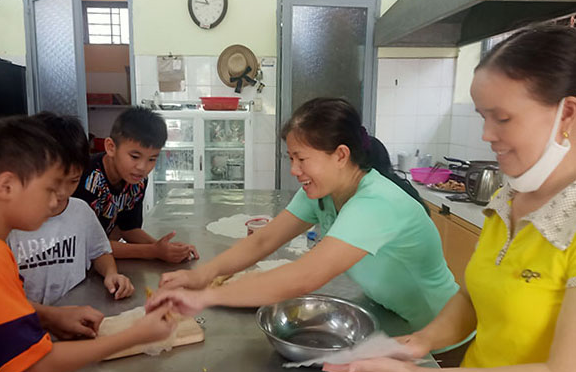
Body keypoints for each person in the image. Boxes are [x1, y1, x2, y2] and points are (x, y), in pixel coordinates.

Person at [322, 24, 576, 372]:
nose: (487, 134)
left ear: (567, 113)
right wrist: (422, 341)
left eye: (502, 118)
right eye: (482, 117)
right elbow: (473, 297)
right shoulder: (509, 197)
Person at [148, 98, 461, 336]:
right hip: (394, 322)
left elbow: (304, 277)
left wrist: (207, 297)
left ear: (340, 155)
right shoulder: (324, 192)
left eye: (301, 159)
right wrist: (202, 275)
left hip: (441, 333)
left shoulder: (377, 203)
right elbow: (266, 240)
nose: (294, 170)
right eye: (291, 158)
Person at [0, 116, 177, 372]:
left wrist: (51, 316)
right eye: (50, 189)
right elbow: (35, 367)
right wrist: (134, 335)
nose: (56, 202)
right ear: (6, 186)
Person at [6, 113, 134, 340]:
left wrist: (111, 273)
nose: (63, 193)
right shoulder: (12, 224)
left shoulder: (80, 211)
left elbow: (100, 250)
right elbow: (0, 299)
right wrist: (51, 316)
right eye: (54, 183)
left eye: (73, 181)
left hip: (74, 322)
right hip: (25, 328)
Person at [73, 107, 197, 262]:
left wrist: (165, 248)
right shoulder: (85, 179)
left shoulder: (136, 182)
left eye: (152, 159)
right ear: (111, 147)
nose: (142, 167)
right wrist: (154, 251)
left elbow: (129, 229)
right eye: (134, 156)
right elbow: (89, 244)